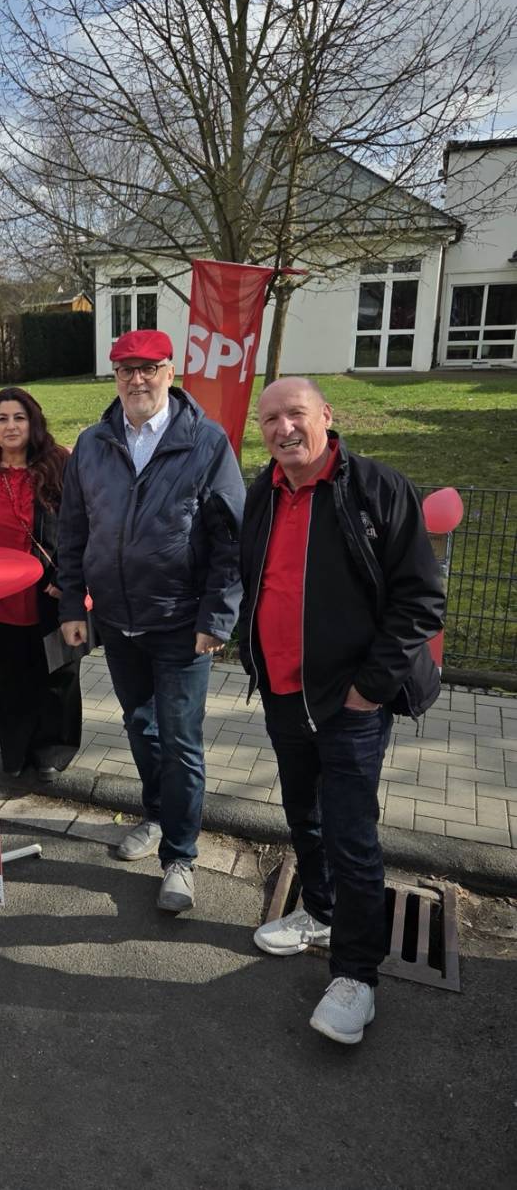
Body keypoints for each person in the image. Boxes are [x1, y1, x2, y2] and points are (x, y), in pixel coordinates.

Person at [239, 377, 445, 1045]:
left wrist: (370, 688)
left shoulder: (379, 490)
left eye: (295, 414)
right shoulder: (259, 492)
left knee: (353, 835)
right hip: (282, 693)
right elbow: (254, 581)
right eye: (269, 419)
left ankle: (358, 976)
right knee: (305, 815)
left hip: (350, 702)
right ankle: (319, 911)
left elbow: (420, 600)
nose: (282, 428)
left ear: (326, 415)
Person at [58, 329, 245, 912]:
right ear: (113, 377)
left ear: (170, 371)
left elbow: (230, 542)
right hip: (116, 620)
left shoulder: (206, 443)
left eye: (148, 369)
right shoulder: (92, 443)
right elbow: (72, 531)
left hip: (180, 624)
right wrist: (72, 605)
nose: (136, 380)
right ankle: (155, 816)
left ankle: (181, 856)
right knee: (141, 728)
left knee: (182, 741)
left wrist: (217, 617)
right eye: (124, 370)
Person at [0, 387, 82, 782]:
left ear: (34, 422)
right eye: (2, 419)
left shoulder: (61, 464)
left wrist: (69, 580)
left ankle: (51, 753)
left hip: (51, 595)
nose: (11, 426)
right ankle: (14, 752)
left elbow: (81, 528)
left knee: (56, 676)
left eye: (19, 418)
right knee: (10, 678)